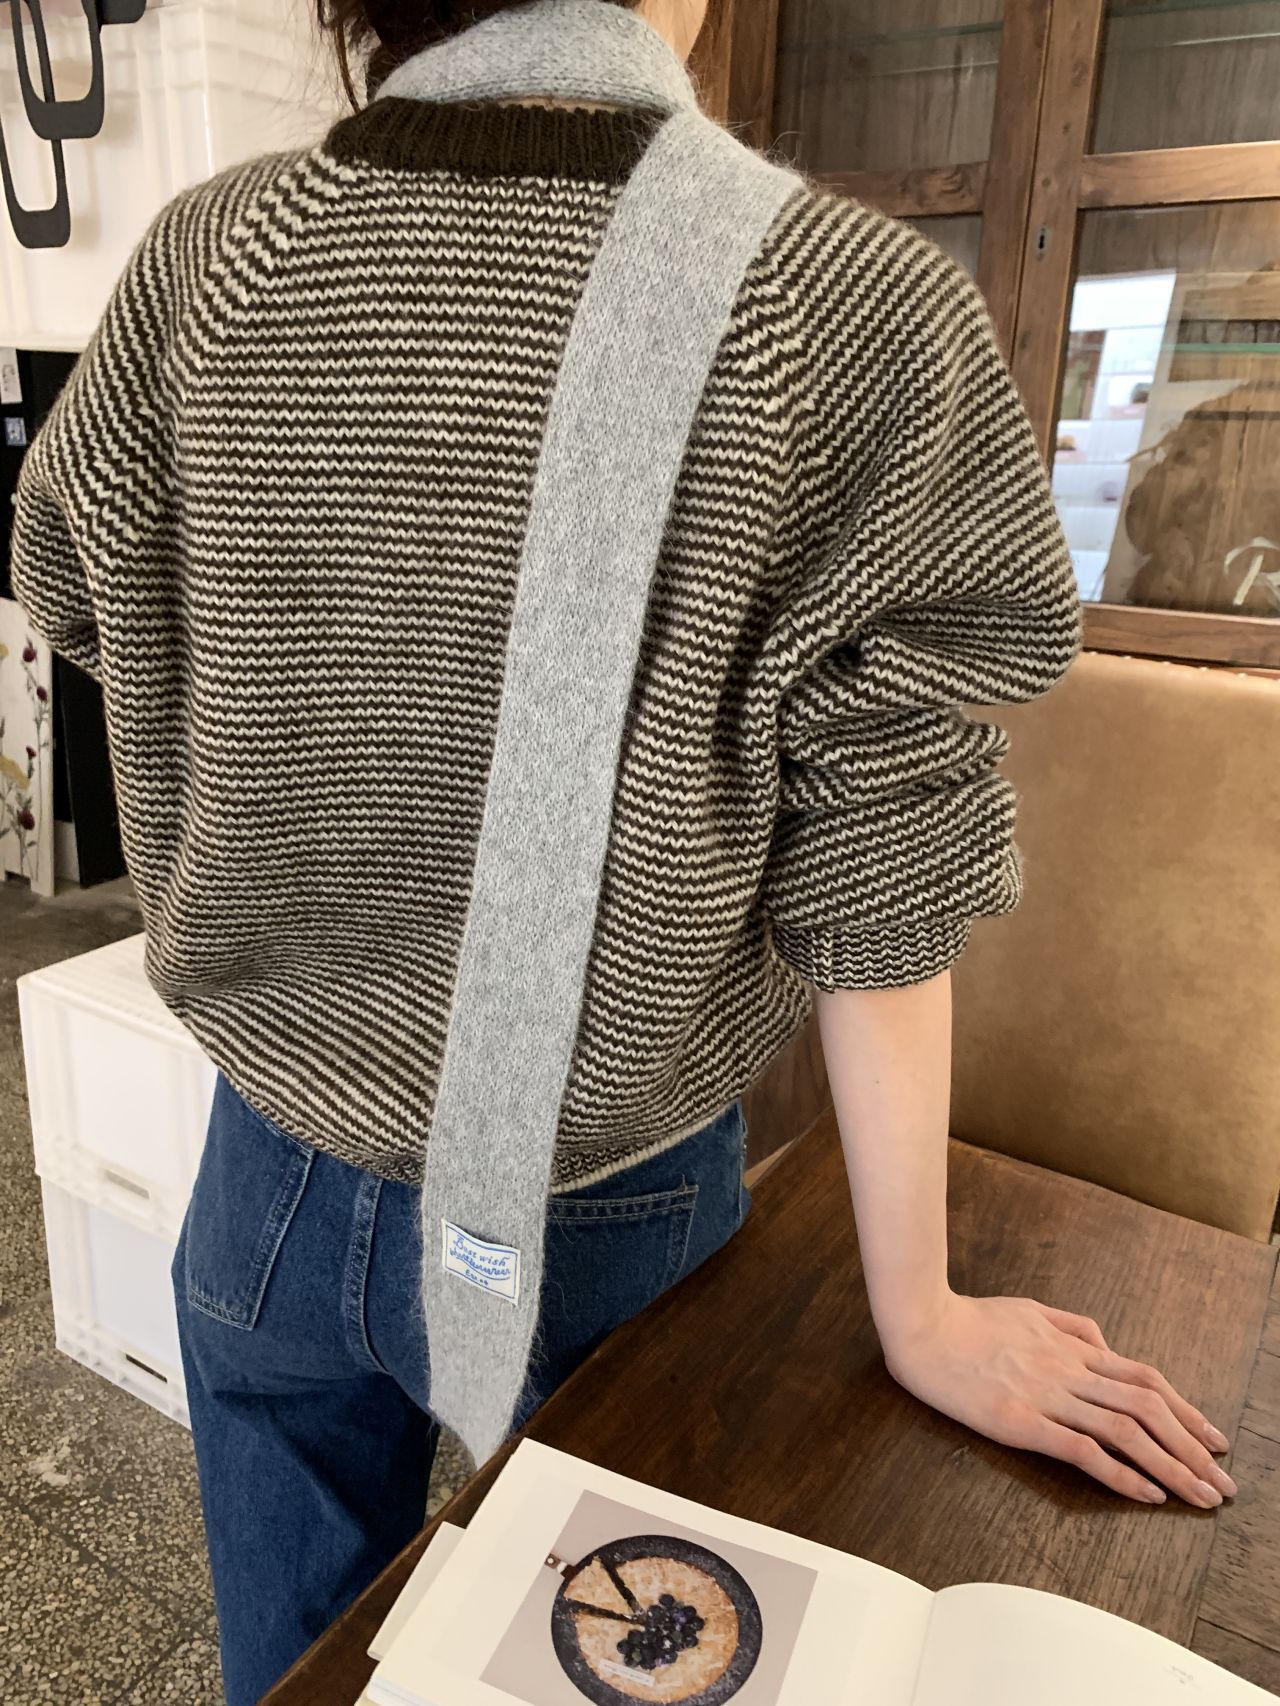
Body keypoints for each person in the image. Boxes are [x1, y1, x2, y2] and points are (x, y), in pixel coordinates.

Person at [9, 0, 1236, 1699]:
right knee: (619, 1663)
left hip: (272, 1178)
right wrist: (922, 1305)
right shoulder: (843, 304)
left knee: (295, 1678)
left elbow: (77, 590)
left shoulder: (207, 261)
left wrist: (306, 726)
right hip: (613, 1202)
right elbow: (884, 845)